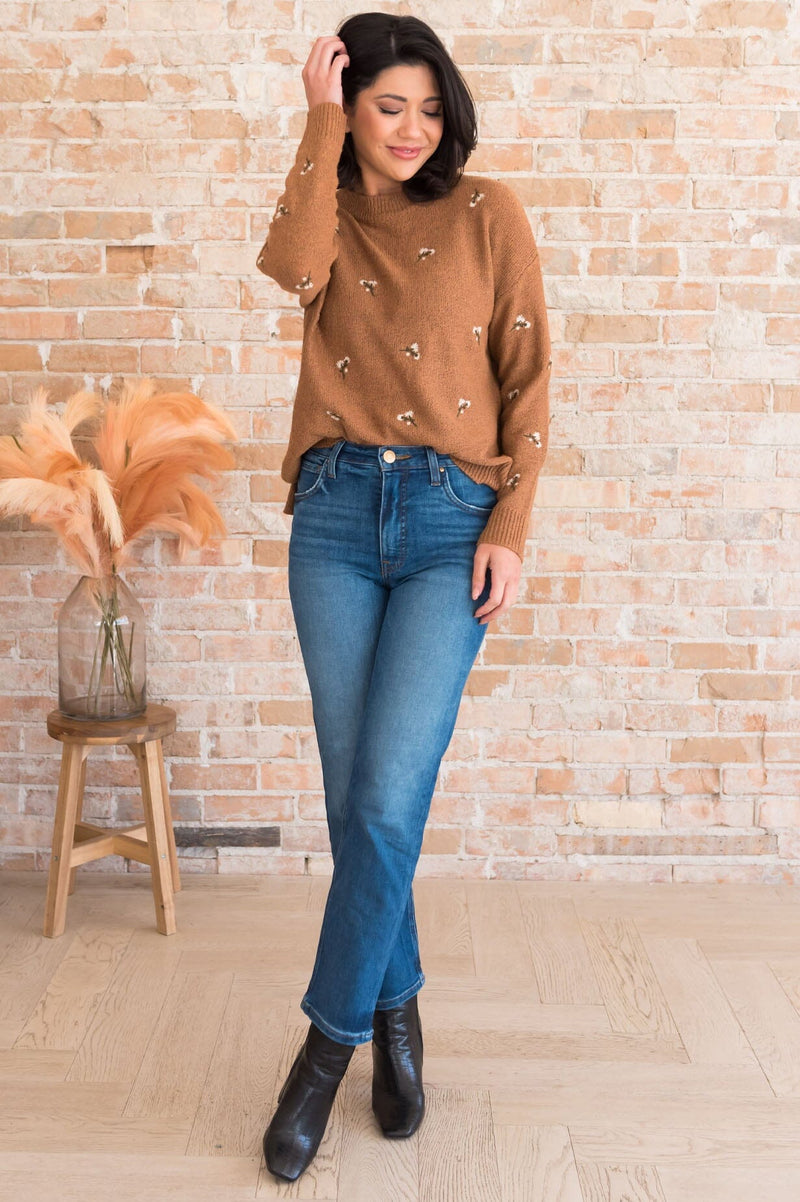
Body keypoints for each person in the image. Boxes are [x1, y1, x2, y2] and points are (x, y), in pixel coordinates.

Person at [256, 12, 551, 1182]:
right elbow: (289, 269)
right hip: (333, 515)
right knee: (353, 801)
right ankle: (396, 1006)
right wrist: (315, 125)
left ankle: (322, 1054)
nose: (412, 128)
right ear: (351, 109)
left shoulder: (489, 213)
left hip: (445, 523)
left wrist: (508, 528)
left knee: (384, 796)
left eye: (430, 108)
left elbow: (528, 380)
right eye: (388, 106)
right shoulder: (325, 210)